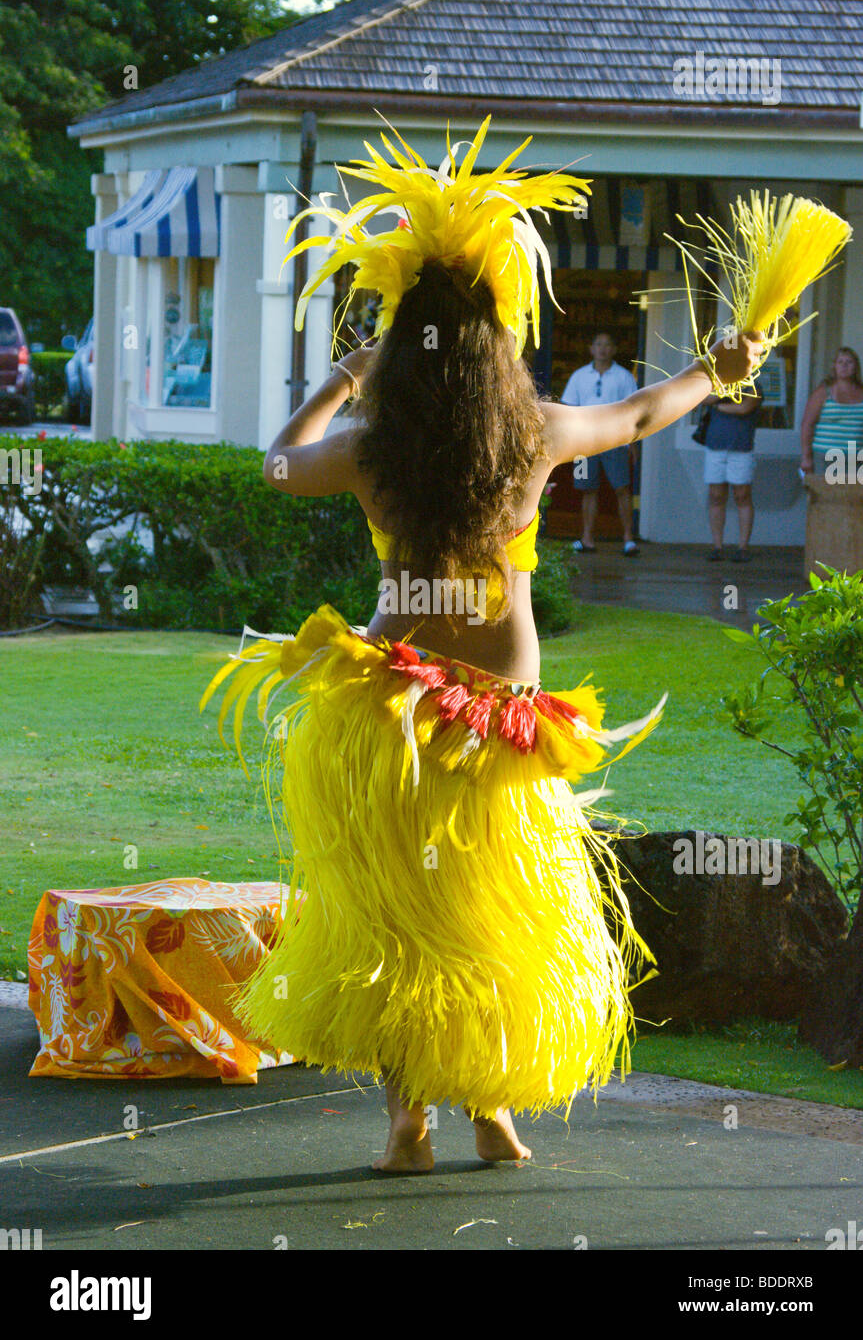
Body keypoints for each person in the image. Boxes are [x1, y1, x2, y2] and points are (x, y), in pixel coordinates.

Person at [201, 117, 764, 1174]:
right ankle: (491, 1113)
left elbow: (278, 463)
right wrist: (716, 369)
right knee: (490, 917)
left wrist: (345, 377)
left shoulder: (371, 446)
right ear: (499, 341)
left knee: (398, 920)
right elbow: (639, 414)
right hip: (500, 723)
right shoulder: (535, 433)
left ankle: (407, 1122)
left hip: (389, 715)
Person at [560, 332, 640, 556]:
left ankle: (628, 539)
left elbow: (633, 411)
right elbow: (569, 409)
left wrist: (633, 444)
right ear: (591, 349)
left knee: (622, 488)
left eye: (607, 344)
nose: (603, 349)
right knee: (587, 489)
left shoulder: (624, 376)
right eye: (598, 344)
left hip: (616, 440)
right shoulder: (579, 376)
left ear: (614, 349)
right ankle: (587, 538)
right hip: (584, 443)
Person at [701, 376, 763, 561]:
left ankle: (743, 547)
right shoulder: (716, 383)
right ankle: (717, 546)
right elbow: (703, 398)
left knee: (742, 495)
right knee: (716, 496)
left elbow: (744, 408)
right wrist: (727, 393)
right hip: (715, 447)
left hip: (741, 448)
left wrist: (718, 405)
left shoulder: (754, 385)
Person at [800, 347, 863, 479]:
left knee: (852, 492)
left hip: (856, 459)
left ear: (856, 367)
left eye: (849, 362)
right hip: (825, 457)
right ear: (834, 366)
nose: (844, 366)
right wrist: (806, 457)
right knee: (824, 492)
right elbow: (807, 425)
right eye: (840, 362)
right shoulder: (823, 392)